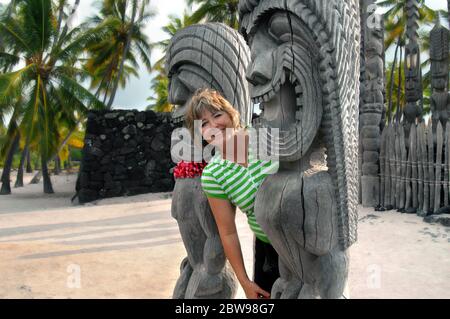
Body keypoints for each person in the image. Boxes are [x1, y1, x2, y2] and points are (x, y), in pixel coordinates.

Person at [184, 88, 280, 299]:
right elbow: (228, 232)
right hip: (269, 254)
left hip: (304, 240)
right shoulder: (214, 174)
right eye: (204, 123)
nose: (214, 125)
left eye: (217, 115)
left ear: (231, 113)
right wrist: (245, 282)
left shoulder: (265, 137)